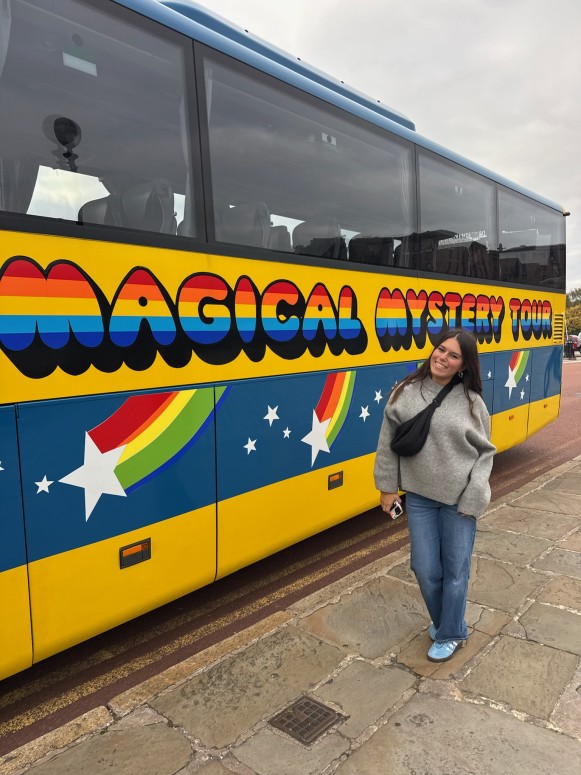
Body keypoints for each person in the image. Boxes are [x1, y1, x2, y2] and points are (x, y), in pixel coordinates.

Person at [374, 328, 496, 662]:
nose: (443, 358)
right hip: (420, 498)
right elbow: (387, 444)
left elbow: (486, 452)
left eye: (453, 355)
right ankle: (449, 624)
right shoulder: (405, 392)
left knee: (456, 571)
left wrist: (475, 495)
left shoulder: (472, 402)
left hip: (459, 501)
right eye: (441, 349)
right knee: (425, 568)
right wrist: (387, 488)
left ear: (463, 365)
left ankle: (450, 632)